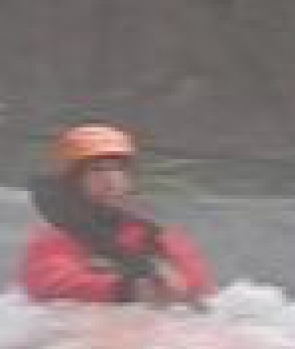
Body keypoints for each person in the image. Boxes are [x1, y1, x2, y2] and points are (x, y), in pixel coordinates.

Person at [18, 124, 215, 306]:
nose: (111, 181)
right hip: (80, 324)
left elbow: (199, 283)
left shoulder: (156, 235)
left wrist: (179, 286)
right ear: (73, 181)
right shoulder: (54, 238)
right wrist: (125, 290)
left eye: (118, 170)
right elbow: (50, 284)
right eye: (97, 170)